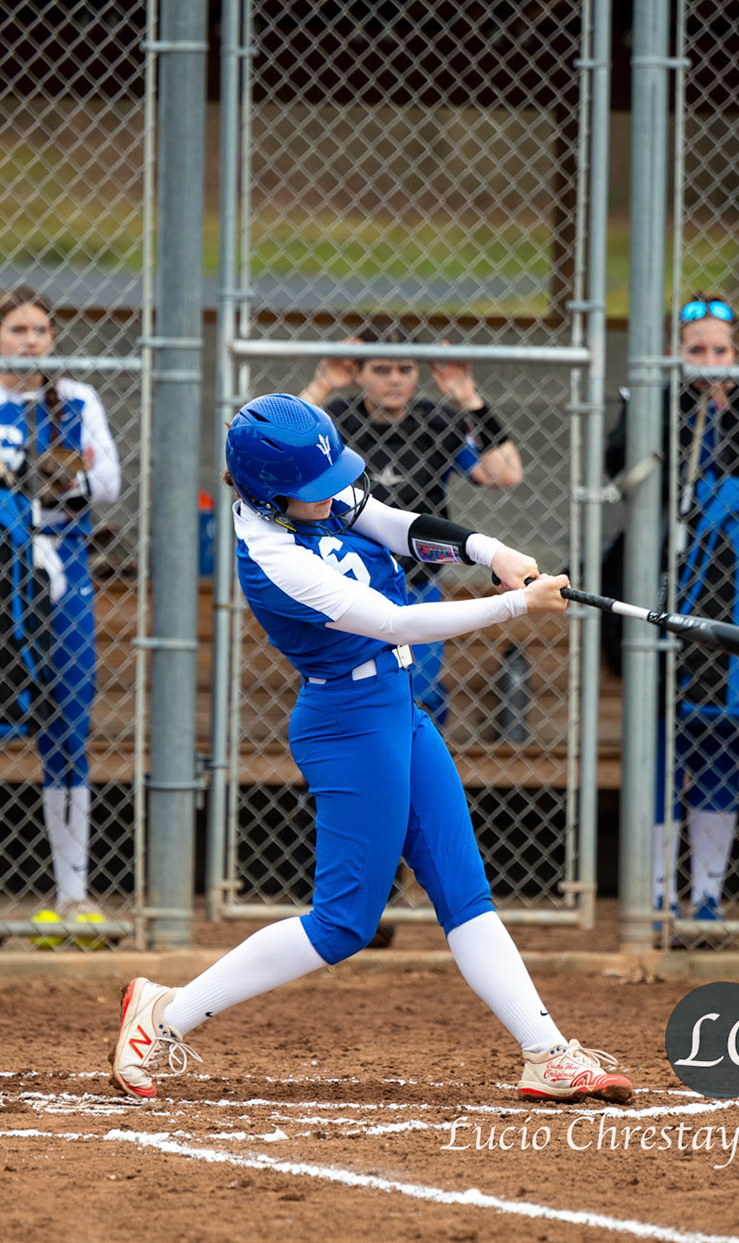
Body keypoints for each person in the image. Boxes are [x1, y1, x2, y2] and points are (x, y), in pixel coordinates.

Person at [110, 393, 631, 1105]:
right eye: (315, 489)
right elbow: (395, 622)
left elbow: (395, 524)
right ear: (269, 495)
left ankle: (547, 1054)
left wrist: (491, 552)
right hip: (347, 725)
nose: (333, 497)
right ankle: (164, 1015)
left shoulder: (308, 497)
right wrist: (517, 605)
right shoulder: (270, 556)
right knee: (343, 923)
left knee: (464, 892)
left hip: (396, 708)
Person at [608, 295, 739, 927]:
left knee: (720, 742)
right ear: (677, 352)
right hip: (658, 586)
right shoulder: (651, 396)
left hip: (730, 593)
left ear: (735, 355)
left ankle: (707, 894)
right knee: (662, 745)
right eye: (697, 350)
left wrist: (730, 411)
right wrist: (682, 411)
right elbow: (621, 463)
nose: (709, 362)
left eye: (720, 351)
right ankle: (656, 891)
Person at [0, 286, 121, 935]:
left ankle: (73, 894)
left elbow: (108, 483)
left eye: (41, 330)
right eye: (17, 329)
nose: (31, 341)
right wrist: (31, 480)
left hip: (64, 568)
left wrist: (63, 479)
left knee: (67, 728)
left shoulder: (78, 400)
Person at [298, 323, 523, 723]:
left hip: (416, 580)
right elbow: (283, 459)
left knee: (413, 694)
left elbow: (505, 473)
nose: (395, 380)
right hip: (347, 582)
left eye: (405, 369)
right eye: (381, 370)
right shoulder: (337, 421)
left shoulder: (437, 422)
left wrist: (468, 398)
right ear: (358, 373)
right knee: (350, 694)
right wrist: (323, 384)